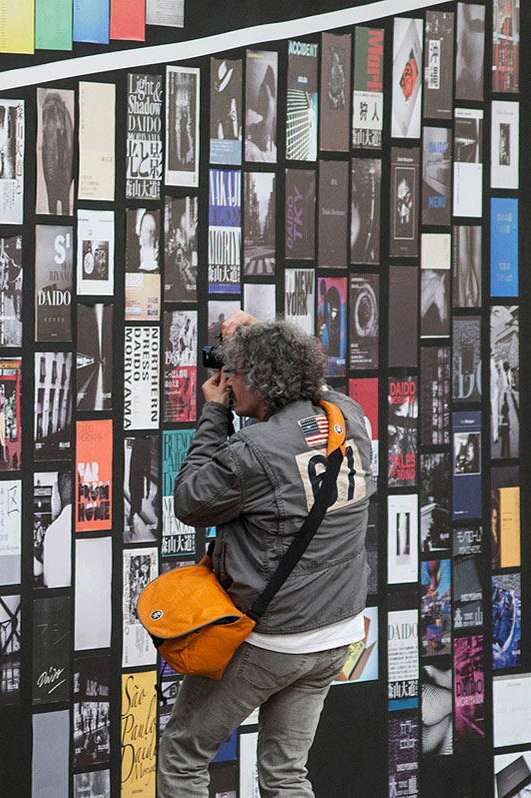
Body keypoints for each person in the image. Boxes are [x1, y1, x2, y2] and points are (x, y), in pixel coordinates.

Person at [157, 310, 373, 798]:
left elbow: (191, 499)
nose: (226, 383)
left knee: (183, 755)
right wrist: (259, 340)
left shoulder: (255, 448)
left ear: (258, 380)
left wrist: (214, 412)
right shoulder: (349, 418)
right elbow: (311, 385)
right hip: (334, 634)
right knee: (285, 774)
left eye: (232, 375)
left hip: (273, 640)